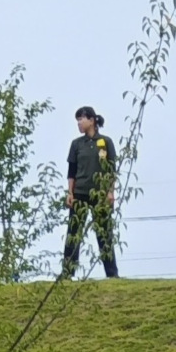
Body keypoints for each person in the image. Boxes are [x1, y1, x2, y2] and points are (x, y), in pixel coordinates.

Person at [62, 106, 119, 278]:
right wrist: (70, 193)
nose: (79, 123)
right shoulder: (76, 144)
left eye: (81, 119)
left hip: (100, 194)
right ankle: (67, 273)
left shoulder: (105, 142)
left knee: (104, 234)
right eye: (77, 120)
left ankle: (112, 274)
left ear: (92, 120)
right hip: (79, 193)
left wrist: (110, 192)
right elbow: (71, 172)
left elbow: (111, 170)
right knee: (74, 234)